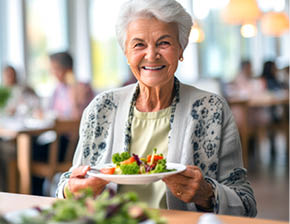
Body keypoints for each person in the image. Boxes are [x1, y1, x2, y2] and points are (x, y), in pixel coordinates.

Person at [56, 0, 257, 217]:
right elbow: (67, 186)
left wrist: (206, 194)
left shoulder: (212, 110)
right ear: (126, 52)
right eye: (139, 44)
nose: (151, 55)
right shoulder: (101, 109)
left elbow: (246, 204)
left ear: (181, 48)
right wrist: (71, 190)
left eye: (164, 43)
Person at [49, 52, 95, 120]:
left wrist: (73, 88)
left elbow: (76, 117)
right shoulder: (58, 89)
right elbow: (52, 113)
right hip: (60, 128)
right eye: (52, 69)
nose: (53, 73)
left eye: (56, 69)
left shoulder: (84, 88)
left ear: (68, 69)